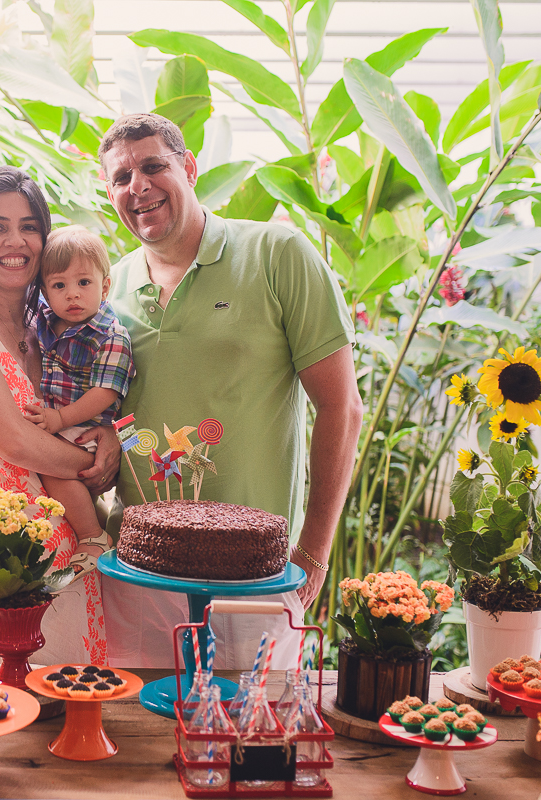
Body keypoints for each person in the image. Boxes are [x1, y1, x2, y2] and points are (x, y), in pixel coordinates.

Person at [98, 114, 364, 670]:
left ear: (189, 168)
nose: (138, 187)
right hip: (137, 577)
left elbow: (342, 408)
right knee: (139, 746)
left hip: (254, 578)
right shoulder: (106, 289)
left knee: (250, 744)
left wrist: (313, 553)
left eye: (153, 167)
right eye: (122, 178)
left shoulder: (278, 254)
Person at [0, 166, 115, 667]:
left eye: (29, 226)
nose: (17, 240)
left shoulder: (44, 331)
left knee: (71, 708)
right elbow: (11, 440)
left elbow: (75, 410)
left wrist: (107, 437)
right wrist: (93, 462)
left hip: (69, 551)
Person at [22, 226, 133, 569]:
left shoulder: (111, 335)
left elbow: (105, 392)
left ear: (104, 287)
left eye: (83, 283)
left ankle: (93, 535)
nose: (72, 295)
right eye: (59, 285)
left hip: (86, 427)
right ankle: (89, 519)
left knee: (52, 467)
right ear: (44, 292)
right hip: (60, 422)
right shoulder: (45, 320)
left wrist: (60, 419)